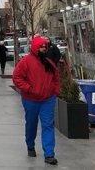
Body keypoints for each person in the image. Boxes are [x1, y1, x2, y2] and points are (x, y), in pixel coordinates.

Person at [12, 37, 60, 166]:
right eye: (41, 46)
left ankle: (49, 154)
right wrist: (29, 89)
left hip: (47, 99)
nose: (44, 49)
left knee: (48, 125)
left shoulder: (49, 63)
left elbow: (56, 78)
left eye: (45, 46)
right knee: (32, 123)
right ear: (35, 47)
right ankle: (30, 145)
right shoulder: (25, 62)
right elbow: (17, 78)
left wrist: (55, 92)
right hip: (30, 100)